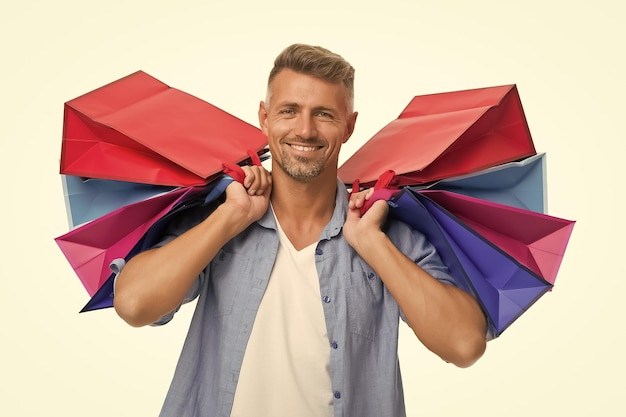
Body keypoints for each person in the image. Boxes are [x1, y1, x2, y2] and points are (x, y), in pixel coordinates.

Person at [114, 43, 488, 417]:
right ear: (264, 117)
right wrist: (229, 218)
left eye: (324, 114)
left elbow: (463, 344)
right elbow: (133, 305)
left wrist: (372, 243)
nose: (305, 130)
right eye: (289, 111)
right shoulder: (221, 217)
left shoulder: (385, 231)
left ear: (349, 125)